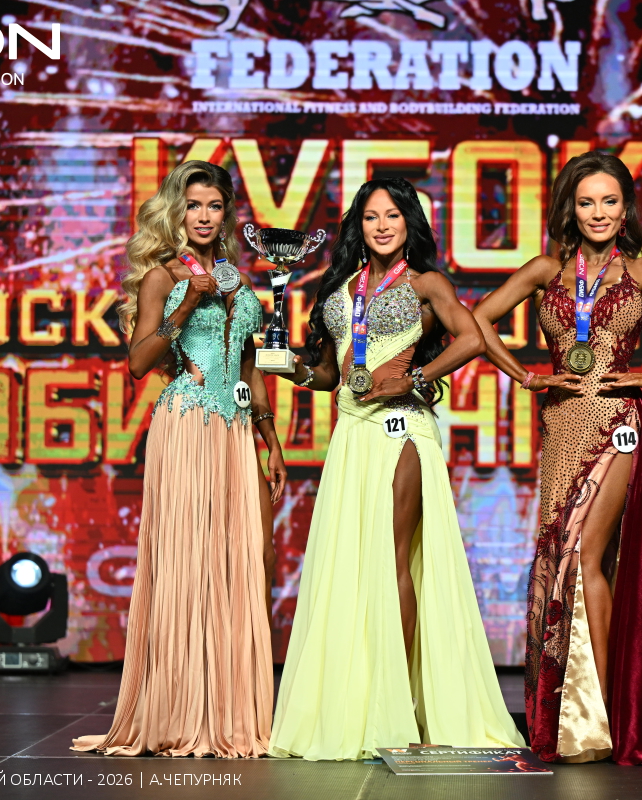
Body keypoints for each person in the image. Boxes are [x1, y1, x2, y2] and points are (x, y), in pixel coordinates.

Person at [473, 152, 642, 766]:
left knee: (587, 553)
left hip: (619, 423)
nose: (598, 213)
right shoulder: (545, 270)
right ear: (570, 208)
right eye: (587, 201)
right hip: (561, 425)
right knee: (557, 560)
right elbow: (478, 320)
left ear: (625, 209)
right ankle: (571, 718)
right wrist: (526, 376)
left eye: (610, 201)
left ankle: (606, 718)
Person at [268, 177, 524, 760]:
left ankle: (399, 705)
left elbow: (472, 339)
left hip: (402, 428)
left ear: (409, 222)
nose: (381, 226)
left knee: (392, 558)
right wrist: (294, 371)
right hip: (351, 435)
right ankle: (357, 702)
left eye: (392, 215)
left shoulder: (425, 282)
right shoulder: (341, 288)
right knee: (351, 566)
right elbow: (331, 374)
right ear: (358, 227)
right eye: (370, 217)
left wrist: (414, 379)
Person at [73, 160, 286, 758]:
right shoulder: (163, 277)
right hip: (188, 422)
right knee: (190, 562)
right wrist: (187, 303)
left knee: (249, 559)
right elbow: (139, 362)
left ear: (226, 215)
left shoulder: (238, 280)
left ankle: (232, 710)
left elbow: (248, 366)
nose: (203, 216)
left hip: (237, 428)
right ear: (178, 212)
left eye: (214, 206)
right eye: (193, 205)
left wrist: (270, 440)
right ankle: (179, 710)